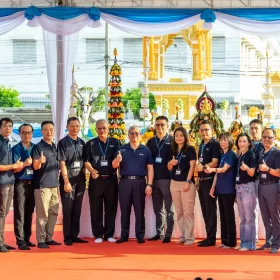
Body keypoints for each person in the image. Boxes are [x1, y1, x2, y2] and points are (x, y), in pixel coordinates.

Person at [113, 125, 154, 244]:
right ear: (128, 135)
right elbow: (114, 166)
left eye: (136, 133)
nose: (134, 135)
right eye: (131, 133)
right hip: (125, 182)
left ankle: (140, 235)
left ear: (140, 135)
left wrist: (149, 184)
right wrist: (117, 160)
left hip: (140, 182)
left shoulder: (145, 150)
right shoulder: (122, 149)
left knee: (139, 210)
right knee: (124, 209)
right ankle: (124, 235)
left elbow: (150, 168)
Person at [84, 119, 120, 244]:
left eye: (104, 128)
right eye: (99, 128)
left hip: (111, 179)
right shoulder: (90, 144)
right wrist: (92, 170)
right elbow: (86, 160)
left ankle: (109, 234)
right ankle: (98, 234)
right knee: (96, 208)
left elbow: (118, 159)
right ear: (96, 129)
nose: (102, 130)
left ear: (108, 128)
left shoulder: (115, 142)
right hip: (96, 179)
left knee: (111, 208)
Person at [57, 117, 88, 246]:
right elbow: (62, 163)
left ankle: (75, 235)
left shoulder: (82, 142)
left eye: (77, 126)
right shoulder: (63, 142)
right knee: (68, 208)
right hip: (68, 179)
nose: (75, 128)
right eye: (72, 126)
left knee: (77, 208)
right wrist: (66, 181)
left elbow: (85, 162)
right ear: (67, 126)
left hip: (80, 179)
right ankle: (67, 237)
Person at [32, 121, 61, 249]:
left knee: (53, 213)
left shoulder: (55, 146)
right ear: (42, 131)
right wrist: (39, 161)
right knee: (42, 214)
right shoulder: (38, 147)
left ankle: (49, 237)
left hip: (55, 185)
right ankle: (41, 239)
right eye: (46, 130)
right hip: (42, 186)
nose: (49, 132)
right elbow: (35, 166)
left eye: (51, 130)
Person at [206, 132, 237, 249]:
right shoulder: (222, 155)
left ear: (230, 141)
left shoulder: (231, 155)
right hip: (220, 188)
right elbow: (217, 174)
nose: (223, 142)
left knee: (229, 216)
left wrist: (212, 169)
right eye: (221, 140)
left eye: (225, 140)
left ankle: (231, 241)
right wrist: (213, 187)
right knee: (223, 215)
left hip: (228, 189)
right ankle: (224, 241)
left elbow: (224, 169)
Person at [146, 116, 174, 243]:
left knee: (169, 208)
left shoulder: (173, 140)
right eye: (157, 125)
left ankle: (168, 234)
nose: (160, 127)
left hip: (167, 178)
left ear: (167, 126)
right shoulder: (151, 141)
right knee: (158, 208)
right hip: (154, 179)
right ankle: (159, 233)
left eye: (162, 124)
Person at [167, 127, 196, 246]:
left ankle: (190, 238)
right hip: (174, 182)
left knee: (188, 211)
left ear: (185, 136)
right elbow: (168, 167)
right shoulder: (172, 150)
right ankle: (183, 235)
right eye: (176, 135)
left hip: (186, 183)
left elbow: (192, 166)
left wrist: (188, 181)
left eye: (181, 135)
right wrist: (170, 163)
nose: (179, 138)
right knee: (179, 211)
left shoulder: (190, 149)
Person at [0, 118, 24, 253]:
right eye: (5, 126)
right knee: (1, 213)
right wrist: (13, 166)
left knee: (4, 213)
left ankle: (2, 241)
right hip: (2, 183)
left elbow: (13, 167)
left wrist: (20, 166)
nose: (8, 128)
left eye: (10, 126)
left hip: (10, 181)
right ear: (0, 128)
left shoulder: (8, 142)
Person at [195, 120, 220, 247]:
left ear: (212, 130)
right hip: (201, 181)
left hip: (210, 180)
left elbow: (215, 162)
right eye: (202, 130)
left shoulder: (215, 144)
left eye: (207, 129)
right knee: (205, 210)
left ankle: (211, 238)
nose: (204, 132)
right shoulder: (201, 144)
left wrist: (203, 167)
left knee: (210, 210)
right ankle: (208, 236)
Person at [12, 124, 36, 250]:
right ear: (20, 134)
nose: (27, 135)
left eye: (29, 133)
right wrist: (24, 164)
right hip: (20, 183)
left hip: (33, 184)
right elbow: (14, 169)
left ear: (32, 134)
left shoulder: (36, 148)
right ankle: (20, 241)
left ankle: (27, 238)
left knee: (29, 212)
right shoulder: (16, 149)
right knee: (20, 212)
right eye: (24, 132)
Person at [257, 128, 280, 254]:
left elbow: (278, 172)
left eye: (269, 137)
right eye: (264, 137)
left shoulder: (277, 153)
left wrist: (268, 169)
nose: (266, 139)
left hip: (273, 186)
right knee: (266, 217)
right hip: (261, 186)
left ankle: (277, 243)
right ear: (261, 139)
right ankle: (269, 241)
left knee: (275, 216)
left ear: (274, 138)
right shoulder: (261, 153)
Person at [235, 133, 257, 251]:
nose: (242, 144)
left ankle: (249, 244)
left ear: (249, 142)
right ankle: (243, 242)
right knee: (242, 217)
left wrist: (246, 168)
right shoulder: (240, 156)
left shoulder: (251, 155)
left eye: (244, 141)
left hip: (248, 187)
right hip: (239, 187)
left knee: (249, 217)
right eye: (239, 141)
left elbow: (252, 173)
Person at [249, 119, 264, 243]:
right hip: (248, 182)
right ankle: (253, 236)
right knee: (251, 210)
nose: (253, 131)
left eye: (256, 128)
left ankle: (271, 238)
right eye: (251, 128)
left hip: (262, 181)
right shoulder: (247, 145)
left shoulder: (265, 146)